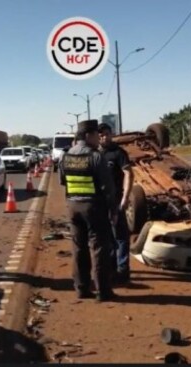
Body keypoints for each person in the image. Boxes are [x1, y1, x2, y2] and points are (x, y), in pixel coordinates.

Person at [59, 119, 117, 302]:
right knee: (99, 248)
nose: (98, 139)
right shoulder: (95, 156)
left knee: (78, 248)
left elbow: (63, 181)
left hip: (73, 207)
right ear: (87, 135)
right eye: (95, 135)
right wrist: (113, 209)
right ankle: (103, 291)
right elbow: (108, 187)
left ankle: (82, 288)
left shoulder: (65, 156)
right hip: (93, 207)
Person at [98, 123, 134, 284]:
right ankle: (111, 269)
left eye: (107, 134)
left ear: (112, 135)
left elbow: (128, 173)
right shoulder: (94, 154)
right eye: (101, 135)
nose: (104, 137)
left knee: (120, 236)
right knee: (105, 237)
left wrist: (125, 197)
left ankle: (123, 270)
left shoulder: (118, 153)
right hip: (99, 203)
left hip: (116, 201)